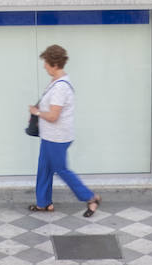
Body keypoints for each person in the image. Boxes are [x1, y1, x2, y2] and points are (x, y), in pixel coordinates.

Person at [27, 45, 100, 218]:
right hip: (49, 136)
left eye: (45, 62)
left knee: (62, 169)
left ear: (54, 63)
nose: (44, 66)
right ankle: (43, 203)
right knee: (44, 168)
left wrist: (36, 112)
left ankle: (91, 198)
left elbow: (53, 116)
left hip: (57, 137)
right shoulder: (56, 82)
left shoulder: (61, 87)